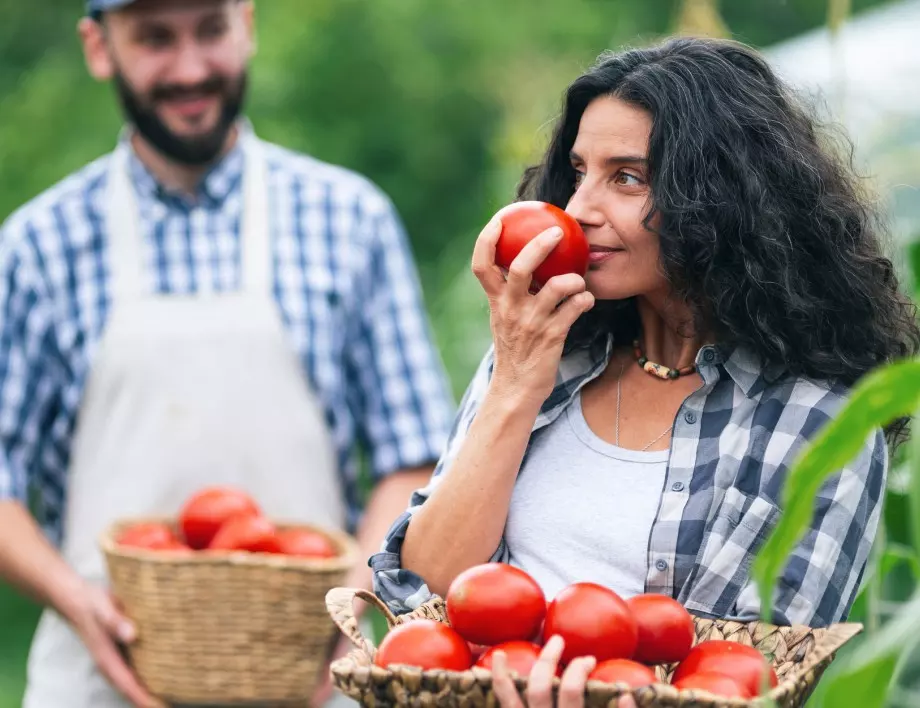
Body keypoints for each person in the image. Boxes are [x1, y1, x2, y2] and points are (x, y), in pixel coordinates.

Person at [370, 36, 920, 707]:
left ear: (719, 197)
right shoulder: (545, 353)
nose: (578, 211)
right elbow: (423, 594)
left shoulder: (816, 422)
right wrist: (515, 382)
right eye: (578, 173)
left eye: (625, 178)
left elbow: (736, 679)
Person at [0, 1, 455, 707]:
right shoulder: (37, 247)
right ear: (98, 47)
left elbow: (412, 457)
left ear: (247, 23)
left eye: (210, 30)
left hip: (309, 676)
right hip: (100, 681)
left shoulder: (348, 220)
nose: (190, 69)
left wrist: (352, 603)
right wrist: (76, 600)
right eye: (154, 38)